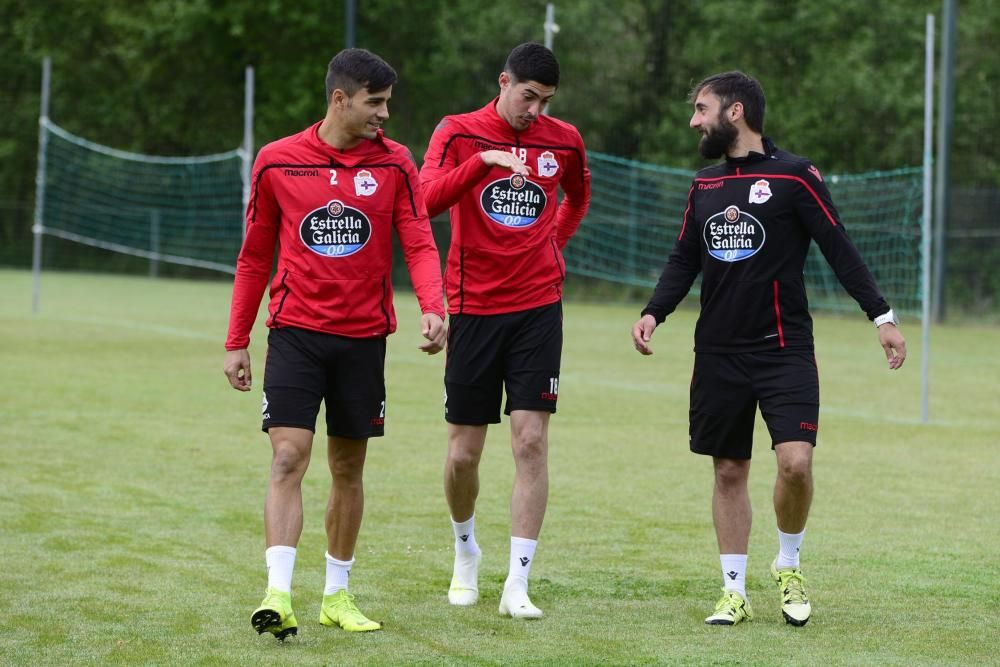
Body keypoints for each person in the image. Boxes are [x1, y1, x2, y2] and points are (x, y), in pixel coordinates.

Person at [631, 71, 906, 627]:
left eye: (701, 109)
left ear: (734, 112)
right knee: (728, 470)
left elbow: (838, 246)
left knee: (795, 463)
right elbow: (686, 258)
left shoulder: (795, 176)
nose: (694, 121)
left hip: (784, 351)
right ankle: (733, 591)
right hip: (718, 353)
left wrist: (882, 317)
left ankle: (788, 564)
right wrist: (654, 312)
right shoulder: (704, 185)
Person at [223, 48, 446, 639]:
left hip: (363, 340)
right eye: (376, 103)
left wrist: (433, 305)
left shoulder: (397, 165)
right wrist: (236, 339)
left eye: (388, 104)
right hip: (295, 335)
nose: (385, 116)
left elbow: (420, 242)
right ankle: (277, 594)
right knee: (288, 455)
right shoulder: (276, 162)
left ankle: (337, 595)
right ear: (340, 100)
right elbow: (253, 256)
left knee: (348, 467)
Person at [419, 42, 591, 619]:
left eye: (545, 101)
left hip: (538, 307)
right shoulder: (458, 131)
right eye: (527, 97)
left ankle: (517, 583)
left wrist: (552, 246)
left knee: (531, 440)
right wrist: (484, 164)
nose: (535, 111)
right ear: (503, 82)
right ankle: (465, 550)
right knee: (464, 454)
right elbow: (423, 201)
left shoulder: (563, 139)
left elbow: (577, 199)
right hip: (471, 308)